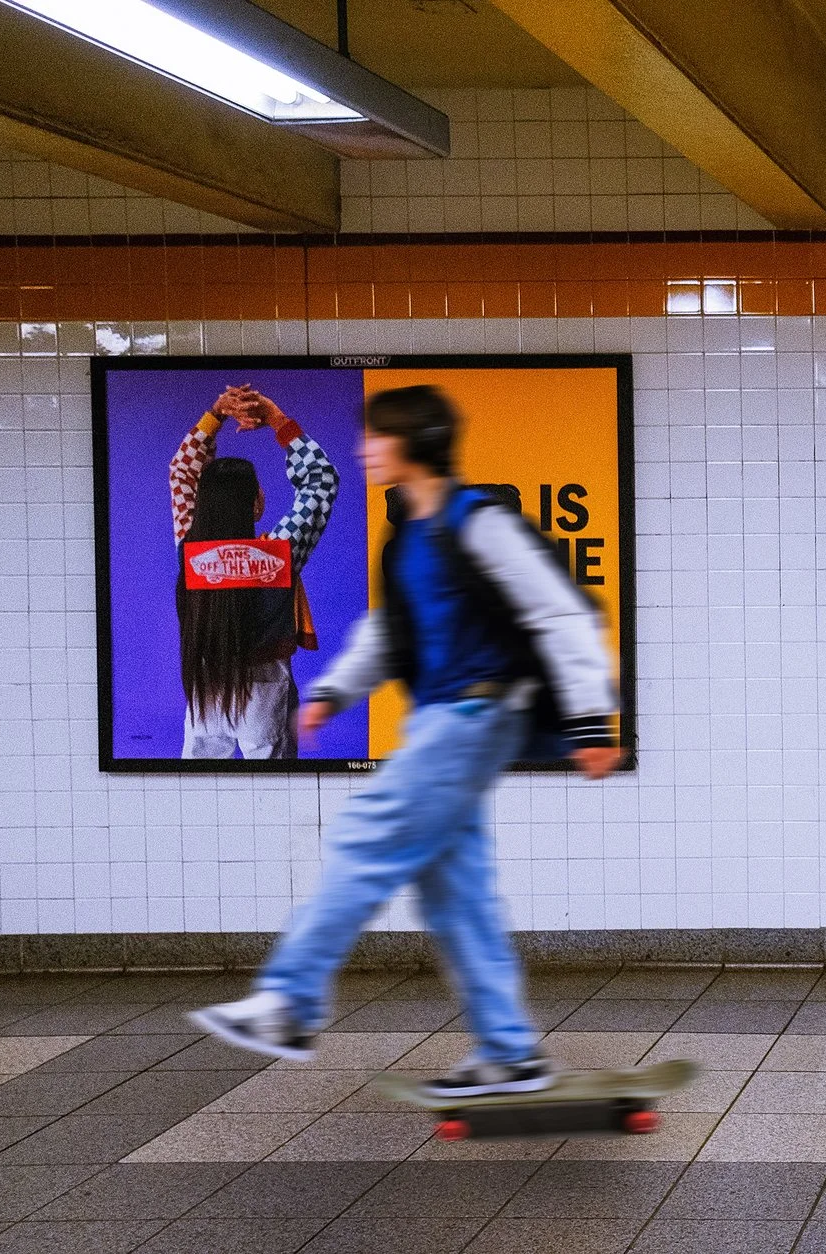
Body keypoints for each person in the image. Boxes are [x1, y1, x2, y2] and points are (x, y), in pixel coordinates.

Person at [189, 384, 621, 1098]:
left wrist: (588, 724)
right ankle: (509, 1051)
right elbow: (393, 632)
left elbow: (560, 615)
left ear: (413, 444)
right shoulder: (410, 539)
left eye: (378, 436)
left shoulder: (479, 523)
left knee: (366, 834)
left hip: (479, 712)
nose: (366, 447)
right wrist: (335, 691)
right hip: (446, 717)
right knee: (457, 893)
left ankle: (288, 1003)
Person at [170, 385, 337, 759]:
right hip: (265, 684)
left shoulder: (189, 547)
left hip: (204, 679)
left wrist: (216, 414)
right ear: (256, 503)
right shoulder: (282, 550)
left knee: (196, 781)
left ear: (203, 504)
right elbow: (321, 480)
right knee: (275, 782)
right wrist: (277, 420)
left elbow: (182, 472)